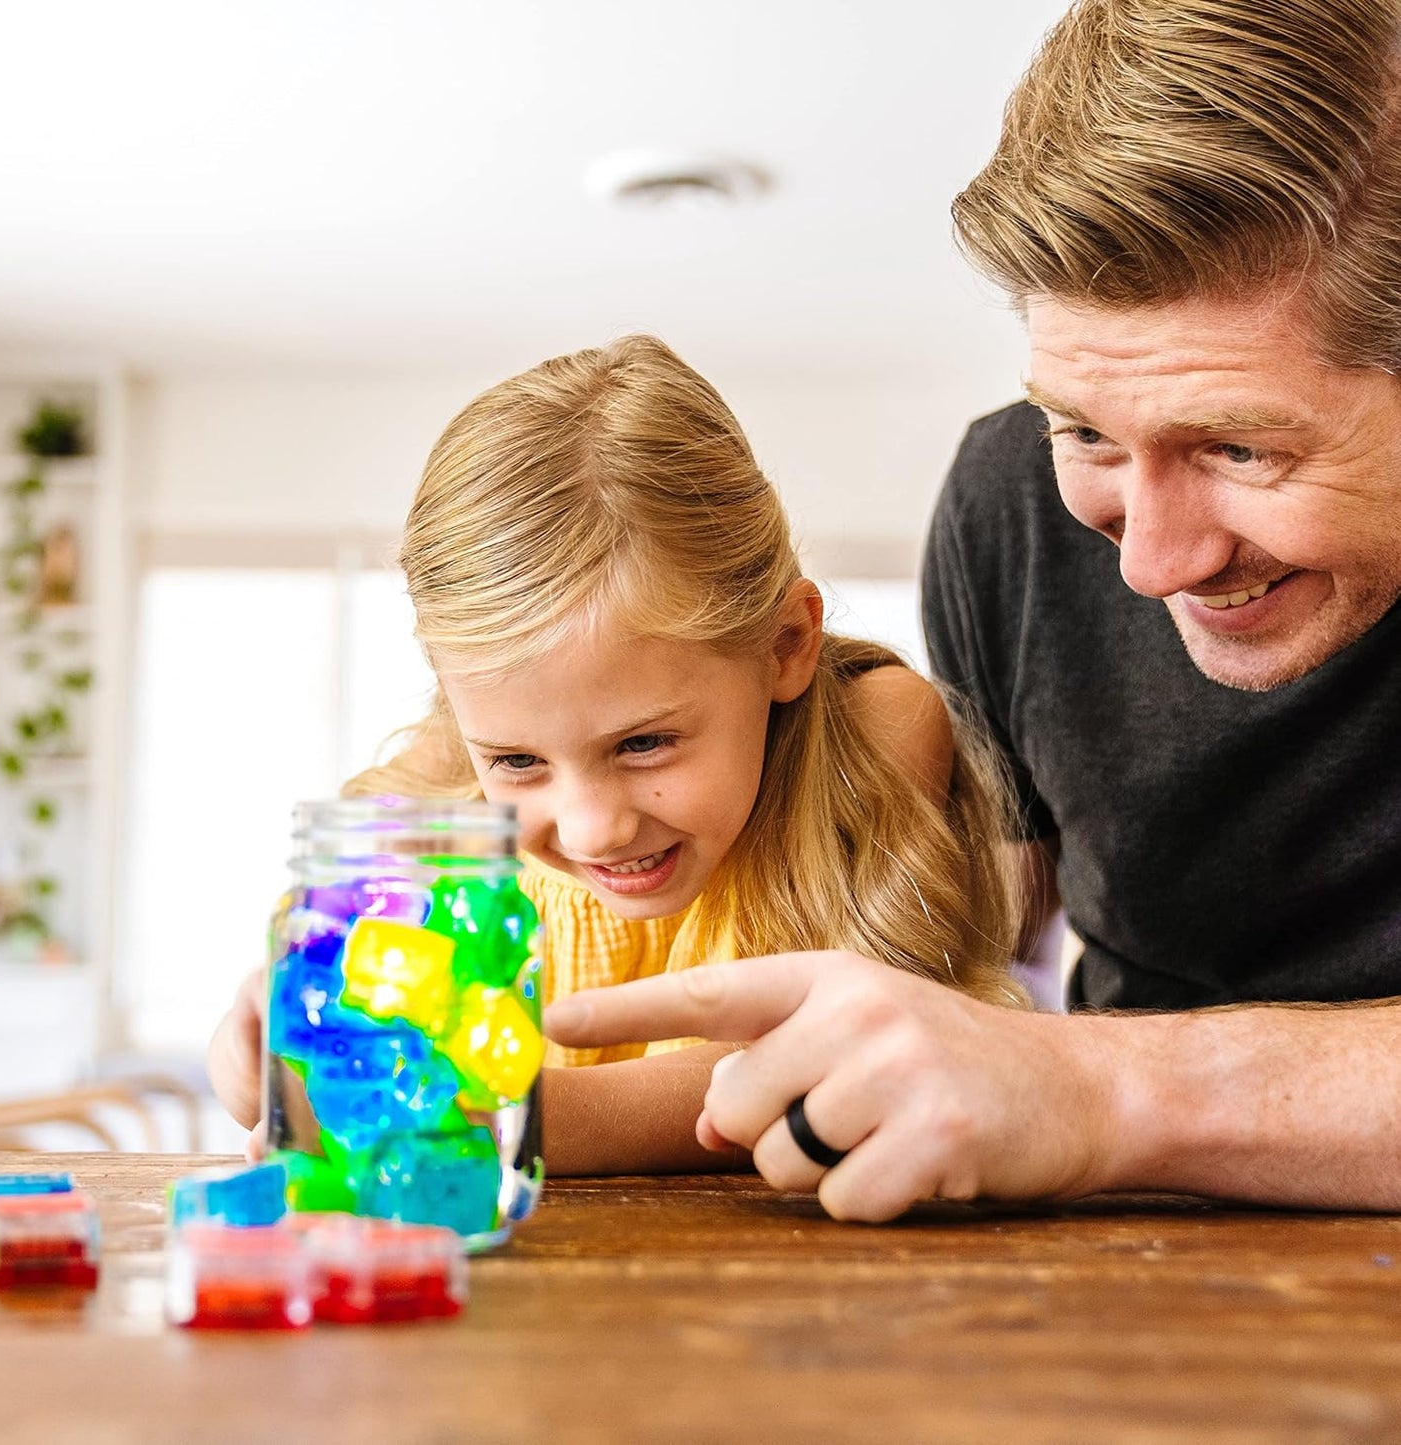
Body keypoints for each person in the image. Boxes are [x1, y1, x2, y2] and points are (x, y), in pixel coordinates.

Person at [546, 0, 1401, 1218]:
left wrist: (1104, 1089)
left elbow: (1054, 1073)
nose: (1149, 564)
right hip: (1110, 1273)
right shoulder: (1007, 500)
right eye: (1086, 431)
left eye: (1238, 448)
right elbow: (983, 944)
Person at [208, 334, 1026, 1173]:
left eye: (643, 743)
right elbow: (319, 1033)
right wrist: (277, 1038)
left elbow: (834, 1050)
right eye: (519, 761)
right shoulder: (446, 778)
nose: (593, 830)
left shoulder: (869, 728)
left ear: (785, 644)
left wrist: (520, 1119)